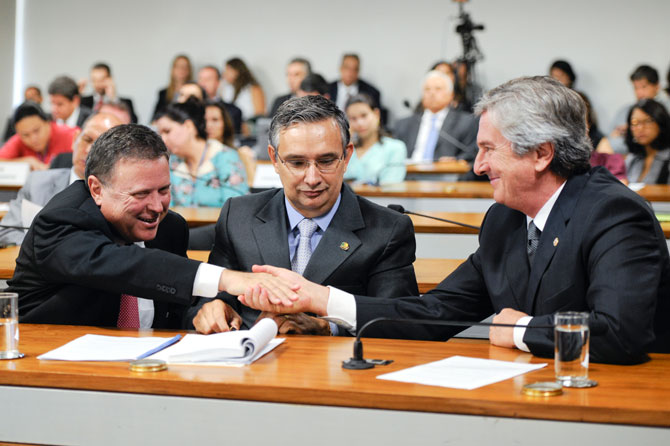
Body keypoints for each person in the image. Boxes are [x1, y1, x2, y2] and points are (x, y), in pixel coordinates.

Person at [240, 77, 670, 365]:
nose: (478, 166)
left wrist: (518, 329)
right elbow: (434, 312)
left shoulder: (614, 213)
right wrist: (321, 299)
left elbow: (620, 333)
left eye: (488, 149)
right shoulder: (504, 219)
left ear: (541, 153)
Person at [9, 123, 299, 328]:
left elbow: (175, 303)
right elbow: (129, 266)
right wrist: (230, 279)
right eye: (140, 194)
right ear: (96, 189)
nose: (157, 206)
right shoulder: (61, 220)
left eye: (163, 190)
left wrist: (207, 309)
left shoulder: (169, 227)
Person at [189, 95, 419, 334]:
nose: (312, 178)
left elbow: (399, 322)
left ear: (347, 156)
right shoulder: (238, 215)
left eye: (326, 161)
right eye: (297, 163)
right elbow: (208, 300)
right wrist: (214, 308)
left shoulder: (388, 229)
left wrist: (328, 327)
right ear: (274, 159)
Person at [0, 113, 123, 246]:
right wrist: (51, 251)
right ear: (75, 139)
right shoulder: (37, 183)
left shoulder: (124, 196)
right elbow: (6, 231)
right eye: (87, 140)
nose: (88, 150)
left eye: (99, 146)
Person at [155, 99, 248, 207]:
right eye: (160, 134)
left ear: (189, 126)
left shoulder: (225, 157)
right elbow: (165, 207)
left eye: (167, 131)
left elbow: (236, 208)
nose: (163, 139)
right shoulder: (171, 162)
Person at [394, 70, 478, 162]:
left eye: (438, 89)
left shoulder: (466, 122)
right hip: (410, 173)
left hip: (445, 174)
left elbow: (471, 154)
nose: (432, 93)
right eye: (427, 89)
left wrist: (456, 161)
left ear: (451, 95)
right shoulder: (404, 125)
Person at [344, 93, 407, 184]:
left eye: (364, 116)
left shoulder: (395, 148)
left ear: (376, 114)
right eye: (353, 118)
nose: (360, 123)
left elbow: (391, 185)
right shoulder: (346, 149)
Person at [609, 65, 670, 154]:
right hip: (632, 155)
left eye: (644, 87)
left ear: (657, 87)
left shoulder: (666, 109)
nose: (639, 92)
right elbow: (612, 140)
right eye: (636, 88)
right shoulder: (625, 111)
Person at [0, 102, 77, 170]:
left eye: (36, 130)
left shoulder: (70, 135)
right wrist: (27, 161)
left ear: (47, 122)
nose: (33, 139)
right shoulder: (19, 139)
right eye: (26, 135)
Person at [624, 99, 670, 184]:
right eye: (634, 122)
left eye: (648, 121)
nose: (640, 128)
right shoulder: (632, 158)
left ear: (661, 122)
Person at [196, 66, 243, 134]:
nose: (203, 83)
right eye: (200, 79)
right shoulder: (190, 109)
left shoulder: (232, 111)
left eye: (208, 79)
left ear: (218, 82)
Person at [152, 54, 192, 121]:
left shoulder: (194, 92)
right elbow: (155, 118)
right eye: (178, 66)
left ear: (189, 70)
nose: (181, 69)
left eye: (185, 67)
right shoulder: (163, 93)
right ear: (172, 70)